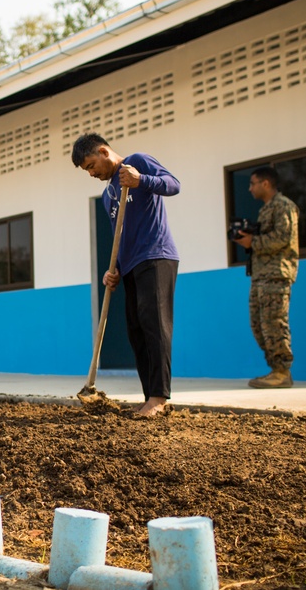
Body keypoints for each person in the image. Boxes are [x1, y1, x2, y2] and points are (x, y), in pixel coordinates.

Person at [71, 133, 181, 418]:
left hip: (156, 256)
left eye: (92, 165)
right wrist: (114, 269)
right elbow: (118, 236)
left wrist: (141, 180)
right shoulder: (109, 195)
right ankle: (149, 397)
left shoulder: (137, 162)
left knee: (155, 326)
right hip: (131, 265)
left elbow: (173, 185)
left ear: (104, 151)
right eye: (87, 171)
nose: (92, 173)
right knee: (137, 331)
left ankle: (159, 397)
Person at [232, 166, 299, 389]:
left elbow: (283, 237)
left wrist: (254, 242)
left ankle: (282, 371)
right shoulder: (266, 209)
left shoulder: (284, 206)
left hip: (277, 274)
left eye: (252, 184)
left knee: (274, 324)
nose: (250, 189)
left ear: (266, 184)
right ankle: (275, 369)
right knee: (259, 325)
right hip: (261, 275)